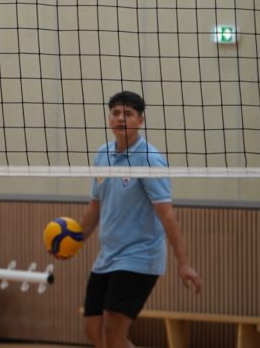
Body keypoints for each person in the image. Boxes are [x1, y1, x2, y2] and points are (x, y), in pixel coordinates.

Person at [79, 91, 202, 348]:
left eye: (128, 114)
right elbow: (94, 208)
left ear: (140, 120)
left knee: (113, 331)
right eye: (115, 113)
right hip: (107, 257)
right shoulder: (102, 155)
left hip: (139, 257)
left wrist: (184, 264)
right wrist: (73, 241)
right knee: (93, 330)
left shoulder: (150, 160)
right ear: (109, 117)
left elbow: (167, 215)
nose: (121, 118)